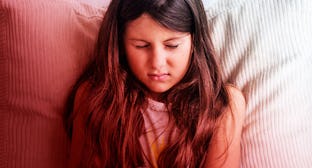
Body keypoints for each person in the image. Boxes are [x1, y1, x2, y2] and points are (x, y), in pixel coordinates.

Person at [65, 0, 245, 167]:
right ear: (120, 45)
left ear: (195, 42)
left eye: (172, 45)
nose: (157, 63)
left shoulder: (221, 105)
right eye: (142, 46)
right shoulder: (95, 98)